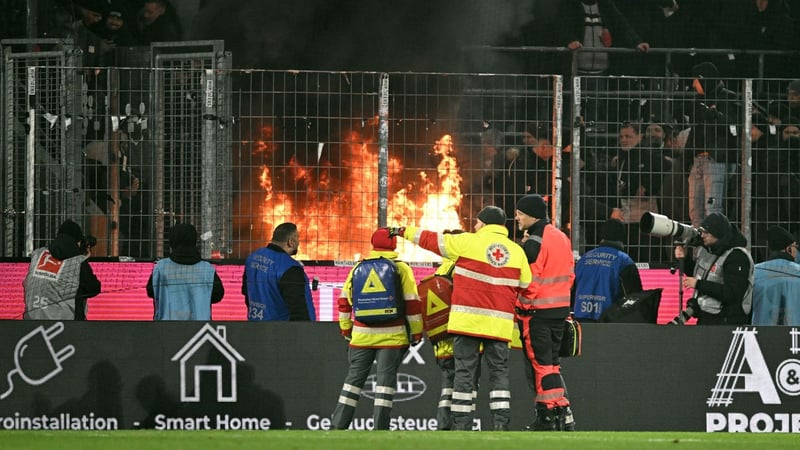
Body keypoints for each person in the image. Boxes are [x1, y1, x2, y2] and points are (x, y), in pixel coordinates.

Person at [394, 206, 532, 431]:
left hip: (467, 323)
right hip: (499, 326)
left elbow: (430, 240)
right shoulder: (516, 252)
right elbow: (526, 286)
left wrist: (402, 231)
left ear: (485, 224)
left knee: (464, 375)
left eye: (477, 223)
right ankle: (501, 424)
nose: (475, 227)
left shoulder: (468, 242)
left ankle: (461, 426)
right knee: (499, 376)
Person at [331, 228, 423, 430]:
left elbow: (344, 302)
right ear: (394, 245)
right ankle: (380, 429)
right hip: (392, 338)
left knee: (352, 382)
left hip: (361, 336)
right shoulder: (402, 268)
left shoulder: (357, 268)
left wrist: (347, 329)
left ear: (373, 244)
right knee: (384, 385)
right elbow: (412, 304)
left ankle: (338, 425)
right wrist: (417, 332)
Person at [514, 194, 575, 431]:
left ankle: (546, 416)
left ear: (531, 214)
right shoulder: (560, 236)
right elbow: (570, 274)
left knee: (540, 365)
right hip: (559, 311)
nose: (516, 217)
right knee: (551, 364)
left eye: (519, 212)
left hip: (537, 313)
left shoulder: (535, 240)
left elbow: (531, 279)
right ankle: (559, 409)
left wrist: (521, 307)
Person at [671, 212, 753, 325]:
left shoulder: (737, 256)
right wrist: (685, 260)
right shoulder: (708, 250)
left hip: (728, 322)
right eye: (702, 232)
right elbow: (700, 276)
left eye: (706, 232)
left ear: (718, 233)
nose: (702, 235)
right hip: (706, 318)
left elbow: (732, 293)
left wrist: (698, 284)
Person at [23, 219, 101, 320]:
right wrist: (83, 258)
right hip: (64, 327)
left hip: (30, 322)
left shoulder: (37, 254)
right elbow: (93, 288)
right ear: (77, 242)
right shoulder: (78, 262)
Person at [145, 223, 224, 320]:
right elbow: (217, 295)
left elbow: (151, 291)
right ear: (194, 241)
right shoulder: (207, 269)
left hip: (166, 328)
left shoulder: (161, 267)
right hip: (199, 328)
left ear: (172, 242)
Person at [242, 222, 316, 321]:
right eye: (297, 238)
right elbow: (299, 311)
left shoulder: (252, 258)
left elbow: (246, 292)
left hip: (255, 327)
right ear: (291, 242)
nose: (298, 242)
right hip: (281, 332)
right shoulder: (290, 267)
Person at [573, 218, 643, 322]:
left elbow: (573, 289)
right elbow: (635, 298)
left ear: (602, 235)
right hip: (609, 322)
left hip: (581, 318)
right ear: (622, 237)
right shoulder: (624, 261)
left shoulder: (584, 259)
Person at [752, 226, 800, 326]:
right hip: (795, 334)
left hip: (761, 332)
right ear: (789, 249)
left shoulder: (755, 271)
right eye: (796, 247)